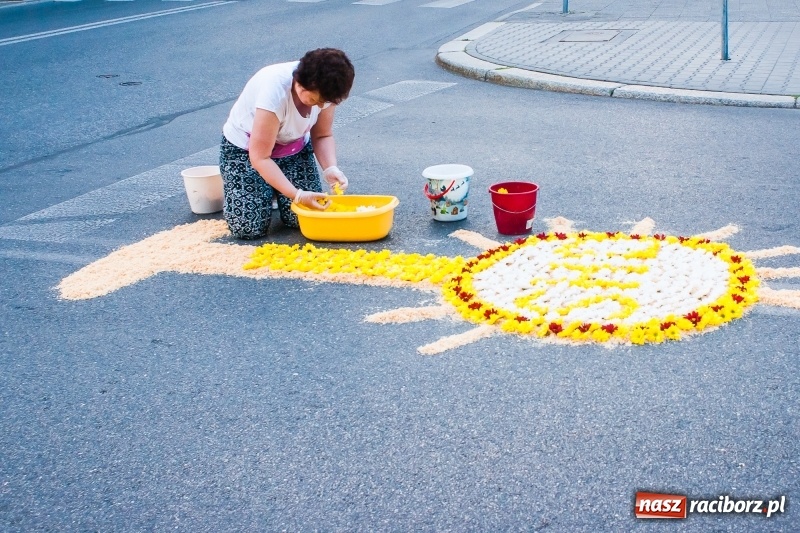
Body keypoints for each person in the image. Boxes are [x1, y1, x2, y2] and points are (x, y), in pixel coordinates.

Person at [219, 48, 355, 239]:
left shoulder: (327, 90)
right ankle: (252, 187)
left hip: (292, 149)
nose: (320, 106)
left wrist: (330, 168)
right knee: (248, 229)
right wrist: (296, 195)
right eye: (316, 100)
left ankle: (273, 189)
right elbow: (260, 157)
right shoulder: (274, 93)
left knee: (302, 219)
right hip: (248, 153)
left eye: (325, 102)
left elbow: (322, 135)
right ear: (300, 85)